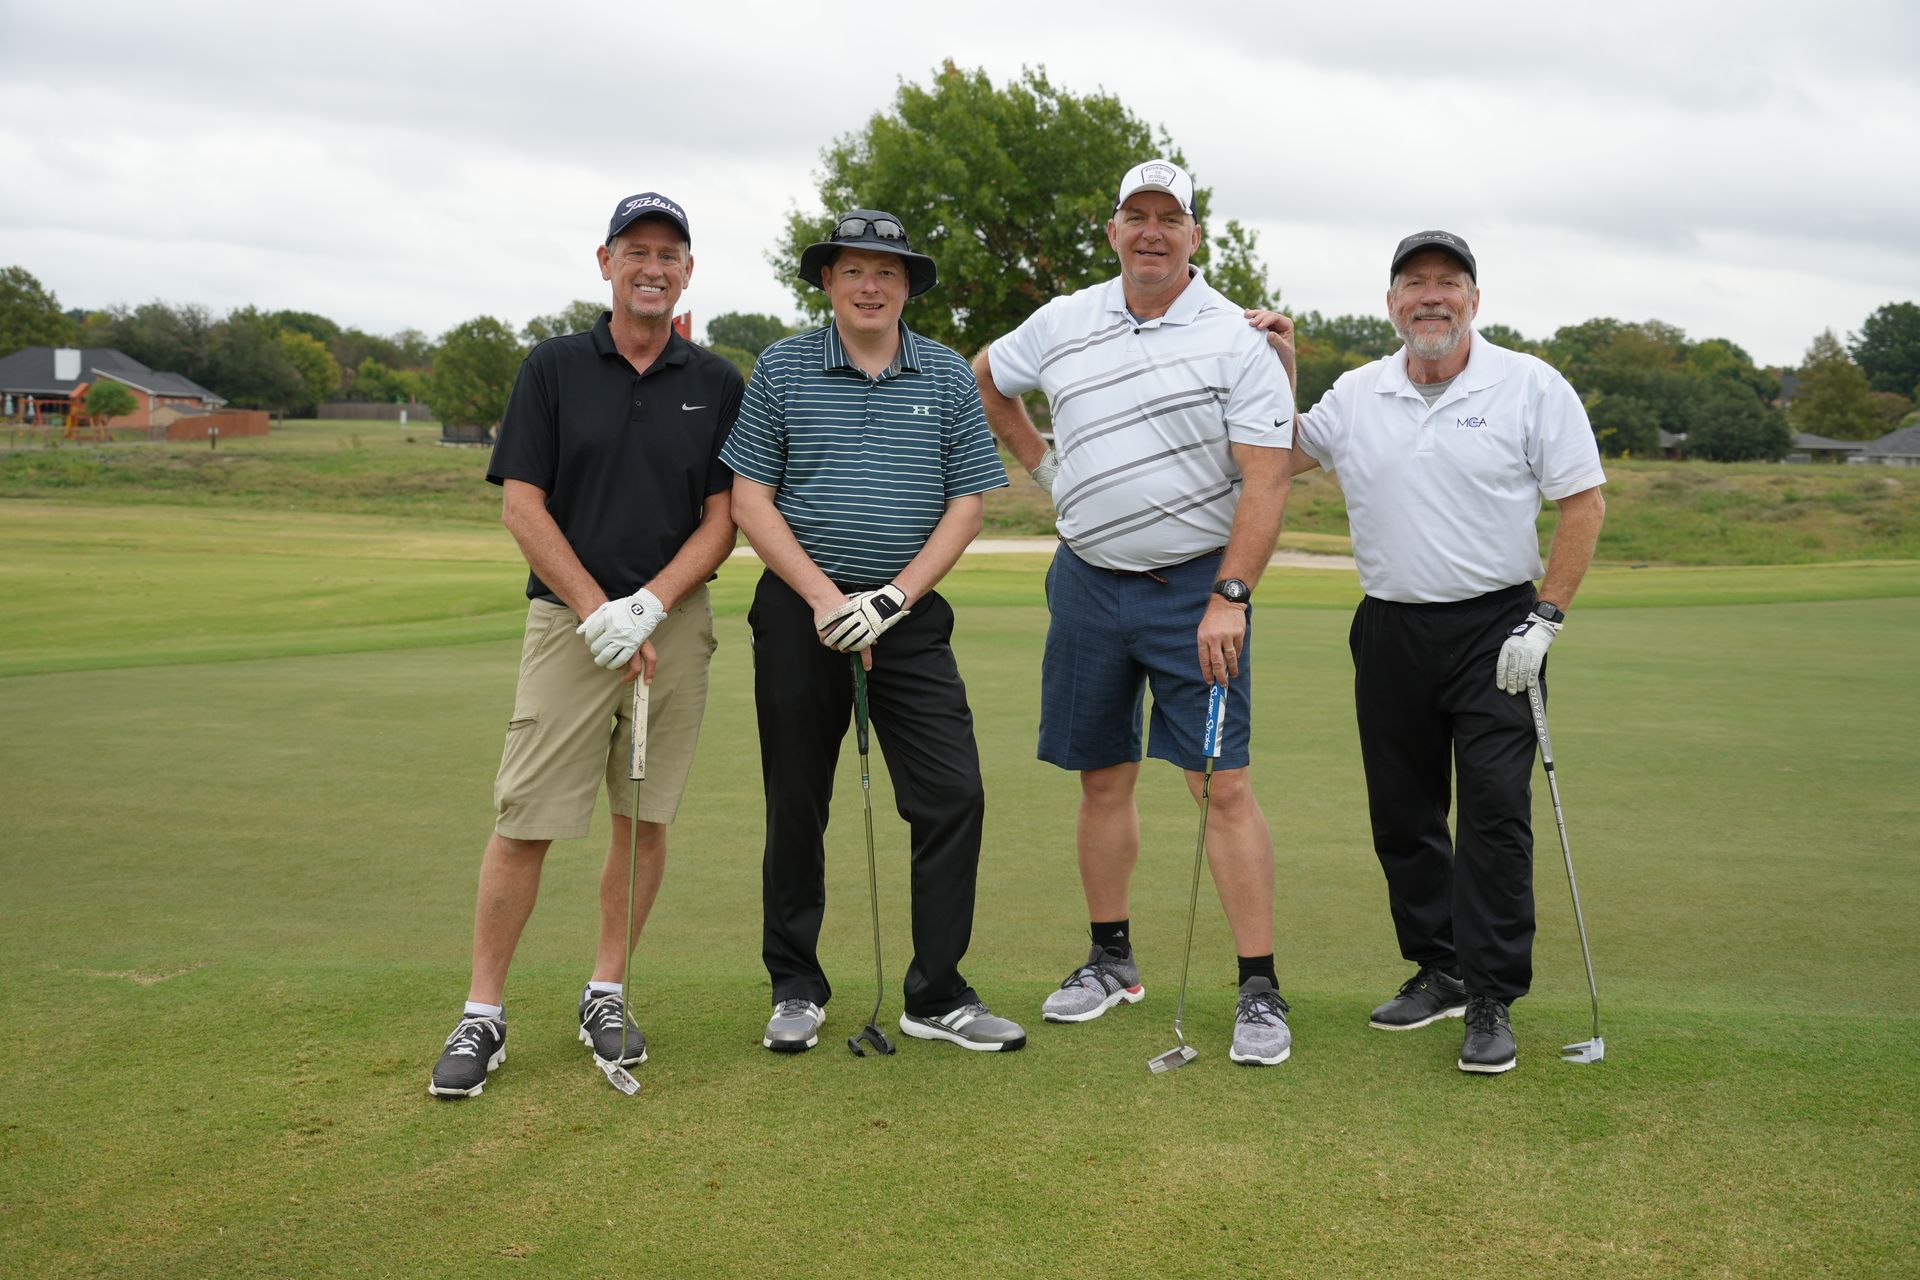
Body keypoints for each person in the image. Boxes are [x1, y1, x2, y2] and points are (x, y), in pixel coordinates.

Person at [973, 159, 1298, 1066]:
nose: (1152, 231)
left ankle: (1260, 988)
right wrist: (1043, 465)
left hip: (1195, 589)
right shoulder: (1066, 320)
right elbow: (988, 376)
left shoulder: (1238, 339)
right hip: (1085, 581)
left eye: (1171, 218)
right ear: (1112, 229)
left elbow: (1267, 479)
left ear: (1196, 236)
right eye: (1135, 216)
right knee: (1102, 776)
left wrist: (1232, 594)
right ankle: (1111, 960)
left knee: (1218, 784)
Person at [428, 192, 743, 1097]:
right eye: (636, 250)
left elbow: (724, 521)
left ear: (689, 271)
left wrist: (649, 606)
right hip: (570, 627)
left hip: (675, 627)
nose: (653, 266)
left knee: (644, 820)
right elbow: (521, 503)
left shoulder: (716, 381)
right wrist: (599, 608)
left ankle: (606, 992)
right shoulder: (554, 367)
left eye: (670, 254)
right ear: (605, 262)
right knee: (526, 820)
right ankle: (482, 1014)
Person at [1276, 230, 1607, 1074]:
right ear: (1391, 305)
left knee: (1495, 813)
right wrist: (1276, 365)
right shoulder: (1357, 392)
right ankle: (1441, 967)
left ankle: (1493, 995)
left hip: (1498, 627)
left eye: (1448, 283)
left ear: (1474, 301)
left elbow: (1583, 503)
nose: (1431, 296)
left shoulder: (1529, 385)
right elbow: (1279, 454)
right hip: (1389, 626)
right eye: (1414, 284)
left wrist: (1547, 619)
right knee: (1405, 811)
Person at [723, 210, 1026, 1054]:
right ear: (827, 281)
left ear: (906, 287)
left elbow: (967, 502)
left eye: (886, 273)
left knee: (952, 795)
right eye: (853, 270)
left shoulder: (944, 375)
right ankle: (795, 985)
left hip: (909, 616)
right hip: (798, 613)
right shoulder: (783, 367)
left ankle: (936, 993)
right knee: (797, 801)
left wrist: (892, 598)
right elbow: (751, 498)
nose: (869, 285)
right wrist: (826, 599)